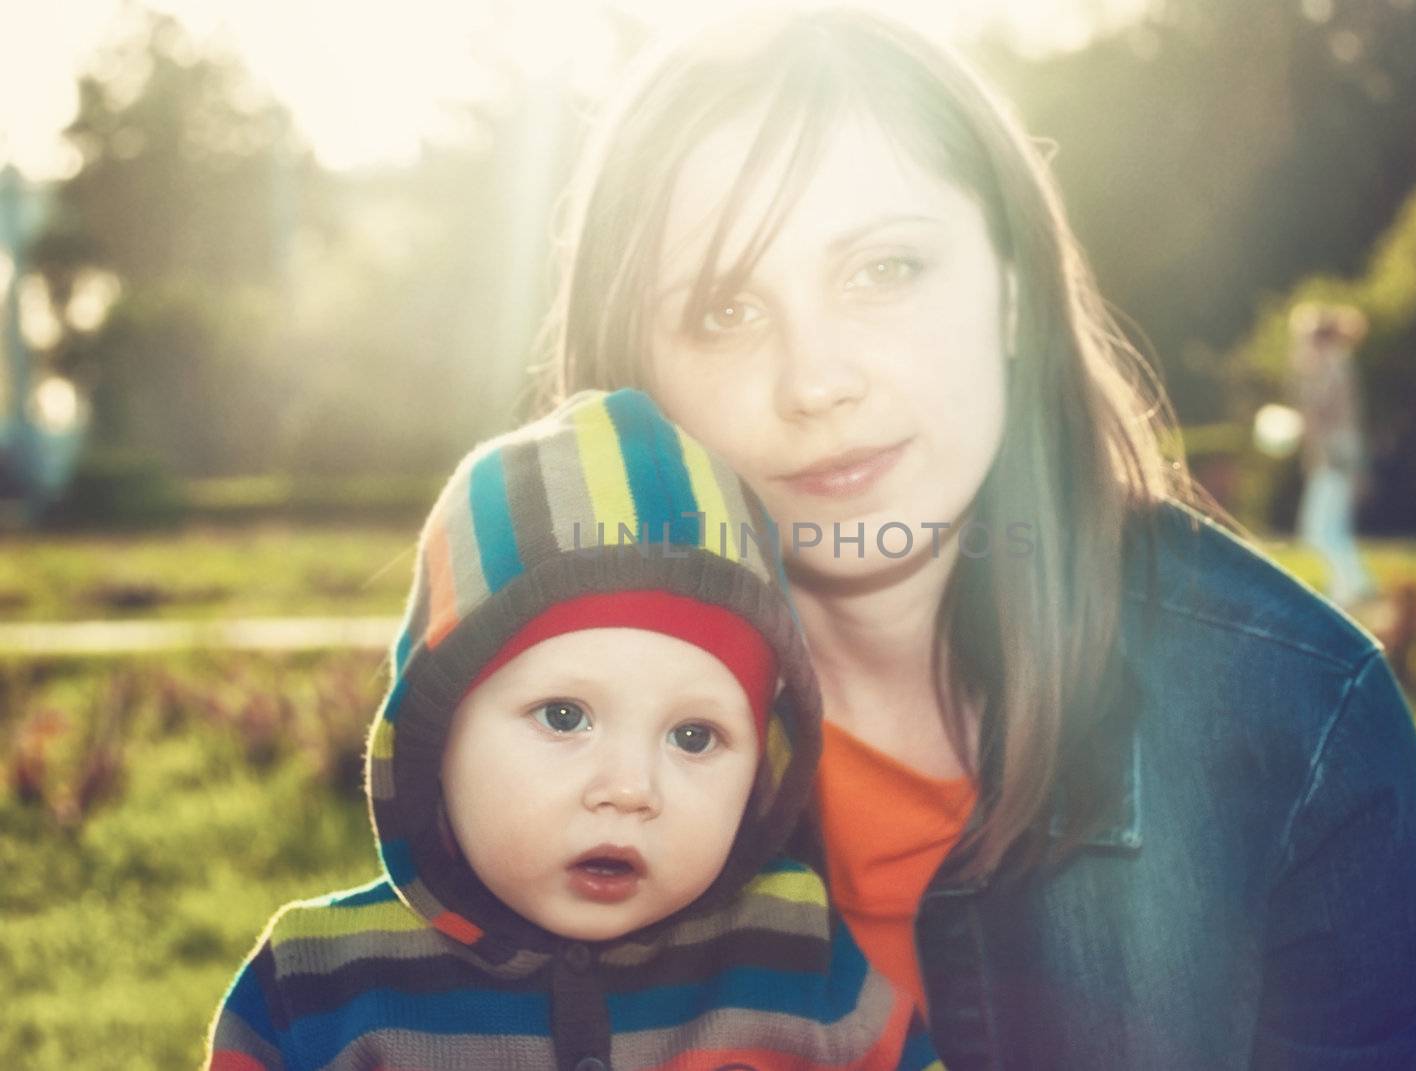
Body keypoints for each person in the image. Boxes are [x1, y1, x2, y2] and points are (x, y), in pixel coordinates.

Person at [535, 8, 1416, 1069]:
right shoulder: (514, 717)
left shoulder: (1299, 721)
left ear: (1013, 287)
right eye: (723, 312)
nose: (816, 380)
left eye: (882, 270)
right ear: (633, 377)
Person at [204, 389, 942, 1071]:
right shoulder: (314, 987)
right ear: (436, 733)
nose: (629, 788)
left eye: (694, 737)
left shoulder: (794, 951)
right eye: (564, 717)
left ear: (763, 768)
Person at [1288, 302, 1379, 608]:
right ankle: (1349, 588)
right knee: (1330, 527)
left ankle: (1353, 586)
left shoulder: (1330, 367)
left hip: (1335, 458)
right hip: (1338, 456)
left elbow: (1320, 414)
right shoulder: (1338, 364)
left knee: (1319, 528)